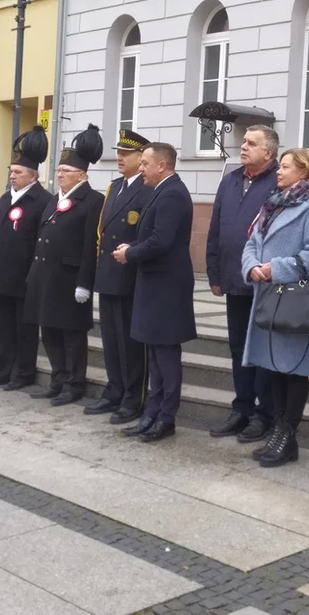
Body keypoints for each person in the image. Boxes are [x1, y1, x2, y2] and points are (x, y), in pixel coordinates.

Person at [241, 148, 309, 467]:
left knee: (294, 371)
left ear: (303, 172)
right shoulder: (273, 205)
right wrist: (252, 266)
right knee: (275, 369)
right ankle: (280, 431)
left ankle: (288, 433)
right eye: (279, 166)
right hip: (270, 298)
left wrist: (275, 268)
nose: (278, 172)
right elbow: (252, 242)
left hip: (297, 302)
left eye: (285, 167)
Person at [113, 143, 196, 443]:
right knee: (155, 355)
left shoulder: (173, 193)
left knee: (167, 356)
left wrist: (130, 253)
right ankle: (151, 413)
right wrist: (132, 249)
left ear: (162, 165)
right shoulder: (160, 190)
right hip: (154, 284)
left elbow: (161, 240)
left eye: (146, 163)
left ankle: (166, 417)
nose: (142, 168)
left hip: (167, 287)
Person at [207, 125, 280, 442]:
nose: (244, 146)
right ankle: (243, 408)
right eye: (244, 142)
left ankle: (265, 415)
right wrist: (214, 271)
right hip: (233, 279)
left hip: (263, 283)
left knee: (261, 351)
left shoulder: (278, 182)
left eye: (252, 143)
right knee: (238, 348)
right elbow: (216, 226)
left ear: (269, 152)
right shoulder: (231, 180)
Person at [25, 124, 105, 406]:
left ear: (81, 175)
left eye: (66, 172)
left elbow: (90, 245)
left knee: (72, 335)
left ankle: (75, 384)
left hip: (70, 278)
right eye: (58, 171)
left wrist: (85, 282)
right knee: (49, 331)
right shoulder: (54, 200)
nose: (60, 175)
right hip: (46, 276)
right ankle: (58, 379)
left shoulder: (92, 200)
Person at [84, 129, 153, 424]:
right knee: (111, 339)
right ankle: (114, 388)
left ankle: (132, 396)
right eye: (119, 152)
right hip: (109, 274)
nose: (120, 157)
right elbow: (103, 231)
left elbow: (146, 234)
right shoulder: (114, 187)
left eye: (126, 154)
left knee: (130, 342)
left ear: (142, 158)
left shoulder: (148, 189)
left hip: (130, 276)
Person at [0, 126, 52, 390]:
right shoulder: (4, 199)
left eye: (18, 172)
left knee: (25, 329)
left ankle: (23, 372)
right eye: (11, 172)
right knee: (4, 327)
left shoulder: (42, 200)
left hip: (25, 277)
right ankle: (5, 369)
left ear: (33, 176)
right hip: (3, 275)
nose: (13, 176)